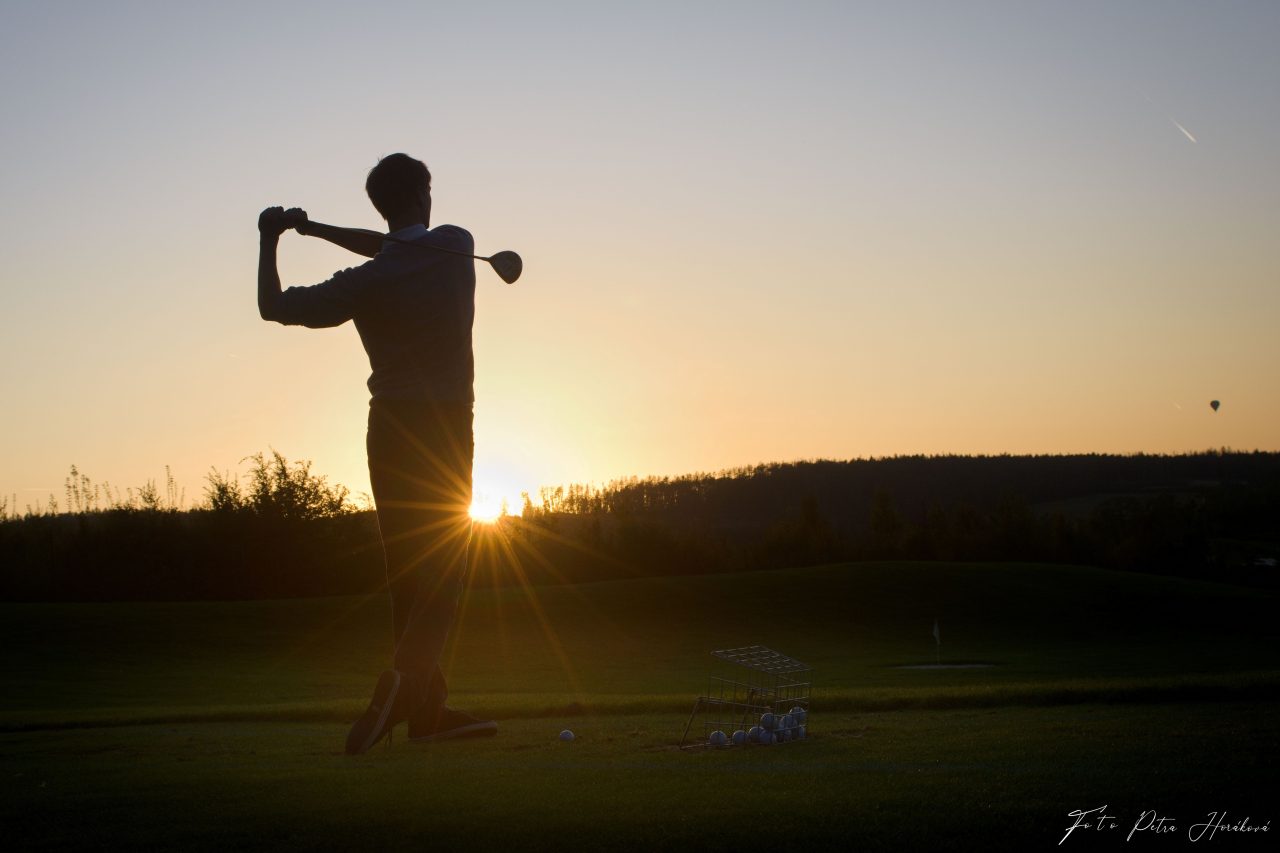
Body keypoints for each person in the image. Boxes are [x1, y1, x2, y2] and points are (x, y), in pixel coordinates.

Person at [257, 153, 497, 754]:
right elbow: (395, 247)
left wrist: (277, 238)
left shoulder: (365, 282)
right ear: (422, 194)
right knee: (444, 573)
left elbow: (274, 306)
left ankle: (426, 712)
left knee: (409, 577)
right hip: (444, 428)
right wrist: (318, 230)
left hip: (387, 431)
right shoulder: (456, 244)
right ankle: (401, 685)